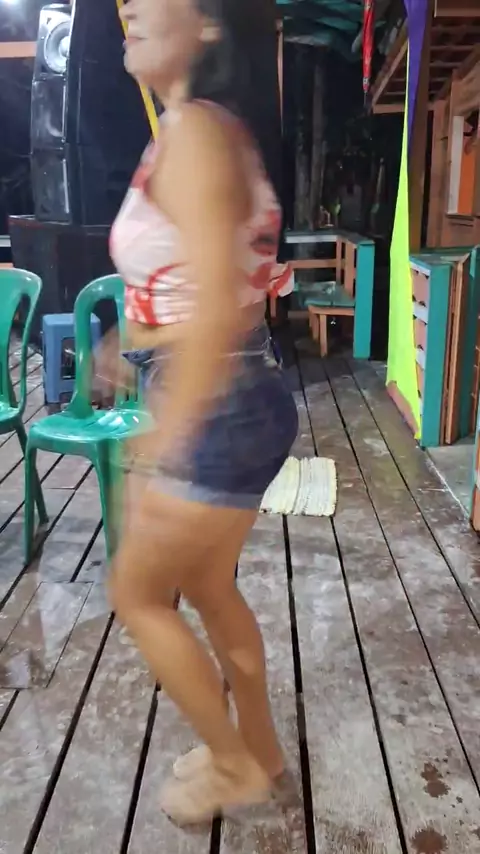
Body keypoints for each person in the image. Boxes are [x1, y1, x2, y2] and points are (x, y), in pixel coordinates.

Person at [98, 0, 298, 826]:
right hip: (233, 391)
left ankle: (232, 767)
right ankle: (261, 752)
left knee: (138, 592)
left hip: (213, 398)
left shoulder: (197, 134)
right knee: (211, 588)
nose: (133, 7)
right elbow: (208, 286)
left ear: (210, 21)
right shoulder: (202, 129)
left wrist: (162, 441)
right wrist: (129, 343)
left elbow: (217, 309)